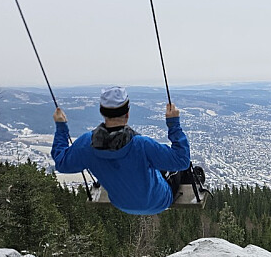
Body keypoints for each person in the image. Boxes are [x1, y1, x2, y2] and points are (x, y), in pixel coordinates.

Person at [51, 86, 195, 215]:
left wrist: (61, 127)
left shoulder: (87, 144)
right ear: (127, 114)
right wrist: (173, 124)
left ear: (102, 113)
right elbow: (182, 160)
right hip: (158, 201)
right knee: (178, 169)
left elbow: (62, 162)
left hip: (121, 204)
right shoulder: (141, 144)